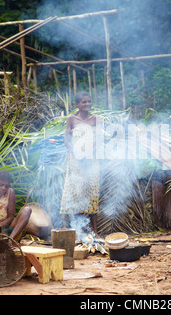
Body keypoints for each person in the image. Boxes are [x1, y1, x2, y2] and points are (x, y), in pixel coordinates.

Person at [60, 91, 102, 238]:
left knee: (92, 194)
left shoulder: (96, 119)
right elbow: (67, 141)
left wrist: (89, 155)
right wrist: (77, 155)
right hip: (75, 162)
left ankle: (94, 232)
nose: (87, 104)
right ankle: (74, 231)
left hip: (91, 162)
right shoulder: (71, 119)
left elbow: (99, 140)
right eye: (83, 102)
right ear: (77, 104)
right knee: (74, 194)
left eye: (89, 101)